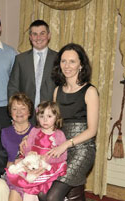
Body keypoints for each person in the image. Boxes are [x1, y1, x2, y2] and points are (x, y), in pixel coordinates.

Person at [40, 43, 99, 201]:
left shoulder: (90, 91)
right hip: (60, 146)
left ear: (81, 65)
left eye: (72, 61)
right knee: (41, 192)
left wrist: (66, 144)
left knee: (52, 197)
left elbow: (92, 130)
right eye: (63, 61)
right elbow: (53, 124)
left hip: (82, 149)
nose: (67, 66)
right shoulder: (57, 91)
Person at [5, 101, 67, 201]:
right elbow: (27, 148)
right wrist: (28, 153)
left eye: (49, 116)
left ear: (57, 117)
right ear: (37, 117)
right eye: (42, 116)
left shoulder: (59, 134)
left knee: (33, 191)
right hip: (32, 164)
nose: (45, 120)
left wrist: (46, 159)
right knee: (26, 194)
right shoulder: (35, 131)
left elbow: (63, 156)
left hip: (47, 167)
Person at [8, 20, 57, 117]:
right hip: (25, 116)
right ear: (30, 37)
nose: (38, 38)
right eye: (34, 34)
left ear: (49, 35)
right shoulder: (20, 59)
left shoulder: (58, 59)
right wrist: (14, 113)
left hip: (51, 115)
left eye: (42, 33)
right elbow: (13, 87)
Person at [1, 92, 34, 168]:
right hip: (10, 173)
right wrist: (13, 164)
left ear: (29, 111)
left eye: (23, 108)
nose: (19, 112)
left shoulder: (37, 132)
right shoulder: (3, 133)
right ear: (10, 112)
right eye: (14, 109)